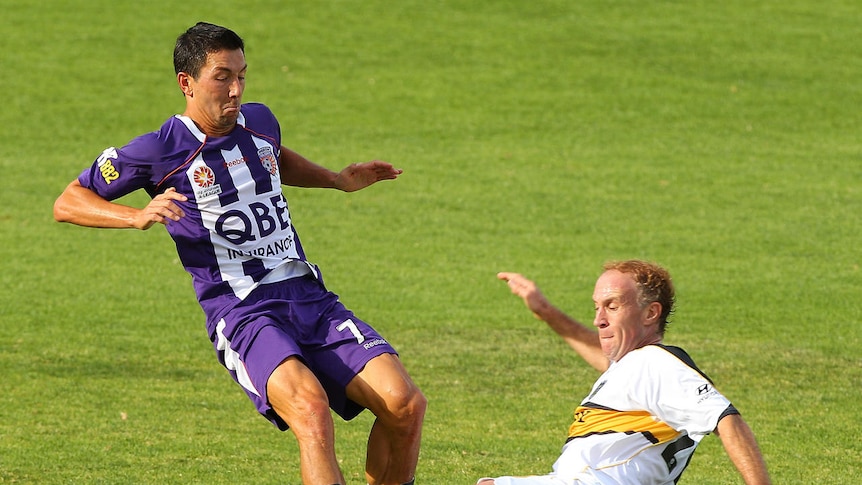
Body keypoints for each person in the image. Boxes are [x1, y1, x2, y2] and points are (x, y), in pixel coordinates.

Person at [54, 22, 425, 485]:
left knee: (405, 405)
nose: (236, 90)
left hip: (308, 295)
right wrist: (135, 215)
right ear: (186, 83)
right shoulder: (159, 150)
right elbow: (68, 200)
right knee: (311, 411)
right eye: (222, 77)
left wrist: (336, 179)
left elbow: (274, 158)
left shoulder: (261, 120)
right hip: (243, 311)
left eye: (242, 76)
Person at [480, 260, 770, 485]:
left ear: (650, 313)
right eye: (596, 307)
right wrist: (545, 310)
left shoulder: (656, 363)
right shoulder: (634, 369)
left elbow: (725, 418)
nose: (598, 319)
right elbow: (610, 365)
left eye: (612, 306)